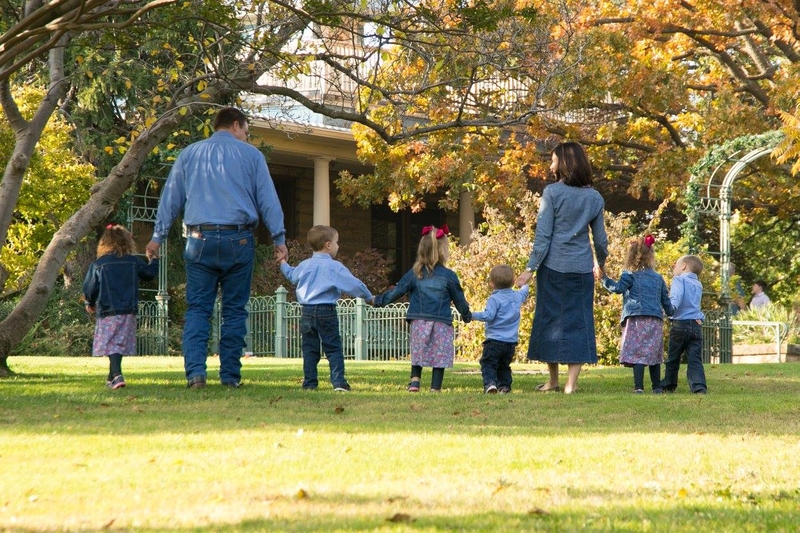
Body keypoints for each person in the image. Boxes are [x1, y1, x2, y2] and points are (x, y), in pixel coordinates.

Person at [146, 107, 287, 389]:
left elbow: (171, 197)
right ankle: (230, 377)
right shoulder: (252, 156)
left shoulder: (190, 154)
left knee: (198, 309)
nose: (246, 137)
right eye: (246, 132)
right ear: (236, 125)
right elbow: (268, 200)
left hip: (199, 240)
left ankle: (196, 374)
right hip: (239, 239)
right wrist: (279, 239)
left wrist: (157, 237)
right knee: (235, 310)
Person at [515, 141, 608, 394]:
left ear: (565, 163)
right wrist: (601, 263)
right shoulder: (595, 198)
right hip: (581, 269)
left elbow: (543, 236)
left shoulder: (552, 193)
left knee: (550, 320)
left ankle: (553, 380)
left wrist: (530, 268)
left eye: (554, 160)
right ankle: (570, 384)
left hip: (552, 268)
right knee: (579, 322)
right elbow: (600, 240)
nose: (551, 164)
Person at [373, 224, 472, 392]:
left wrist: (379, 301)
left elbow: (397, 291)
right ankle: (435, 387)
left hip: (418, 319)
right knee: (439, 354)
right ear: (442, 251)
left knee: (418, 350)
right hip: (441, 320)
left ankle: (415, 382)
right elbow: (459, 299)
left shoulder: (414, 273)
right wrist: (466, 314)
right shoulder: (449, 276)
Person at [280, 225, 373, 391]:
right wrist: (368, 297)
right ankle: (339, 383)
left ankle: (309, 383)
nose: (338, 246)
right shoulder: (334, 267)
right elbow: (354, 284)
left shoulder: (304, 265)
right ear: (328, 245)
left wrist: (282, 262)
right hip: (326, 311)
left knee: (309, 349)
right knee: (333, 347)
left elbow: (291, 275)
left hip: (307, 312)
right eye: (337, 242)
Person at [83, 224, 159, 389]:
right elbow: (149, 274)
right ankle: (111, 378)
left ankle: (117, 375)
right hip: (128, 309)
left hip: (107, 308)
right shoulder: (132, 261)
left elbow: (90, 286)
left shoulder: (99, 264)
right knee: (117, 343)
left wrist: (89, 302)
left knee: (112, 344)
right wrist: (154, 259)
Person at [600, 235, 674, 394]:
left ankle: (639, 387)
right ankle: (656, 387)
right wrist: (672, 313)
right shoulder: (658, 278)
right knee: (654, 353)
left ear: (631, 256)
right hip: (654, 319)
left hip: (636, 318)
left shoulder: (629, 275)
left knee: (638, 353)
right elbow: (665, 301)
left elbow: (618, 288)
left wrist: (604, 279)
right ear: (651, 255)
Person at [472, 265, 530, 394]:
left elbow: (489, 316)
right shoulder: (516, 296)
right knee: (504, 366)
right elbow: (525, 291)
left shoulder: (494, 299)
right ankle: (504, 387)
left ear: (492, 284)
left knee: (488, 363)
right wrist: (523, 283)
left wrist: (472, 315)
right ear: (512, 281)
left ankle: (490, 384)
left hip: (494, 340)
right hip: (510, 342)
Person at [660, 255, 707, 394]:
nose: (674, 268)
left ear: (684, 266)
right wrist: (701, 317)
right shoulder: (698, 284)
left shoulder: (679, 280)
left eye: (676, 265)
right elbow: (696, 305)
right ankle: (699, 387)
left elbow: (676, 297)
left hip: (680, 324)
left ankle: (669, 384)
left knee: (673, 357)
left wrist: (669, 310)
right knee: (695, 359)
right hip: (695, 326)